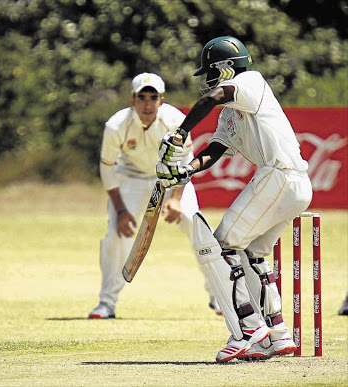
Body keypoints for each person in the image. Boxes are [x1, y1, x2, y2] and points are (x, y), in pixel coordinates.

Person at [156, 36, 312, 362]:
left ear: (225, 68)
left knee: (223, 243)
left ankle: (249, 329)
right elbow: (213, 152)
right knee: (253, 251)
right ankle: (279, 332)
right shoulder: (229, 114)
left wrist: (179, 133)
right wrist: (184, 172)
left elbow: (213, 96)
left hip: (280, 174)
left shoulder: (249, 82)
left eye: (211, 73)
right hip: (294, 184)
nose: (208, 81)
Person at [88, 72, 221, 319]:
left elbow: (185, 161)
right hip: (132, 176)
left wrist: (176, 199)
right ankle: (106, 303)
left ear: (161, 100)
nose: (147, 104)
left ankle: (219, 296)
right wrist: (120, 210)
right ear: (132, 100)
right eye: (142, 97)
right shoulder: (116, 126)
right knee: (116, 234)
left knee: (195, 223)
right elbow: (107, 167)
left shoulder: (175, 120)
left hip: (171, 176)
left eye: (153, 98)